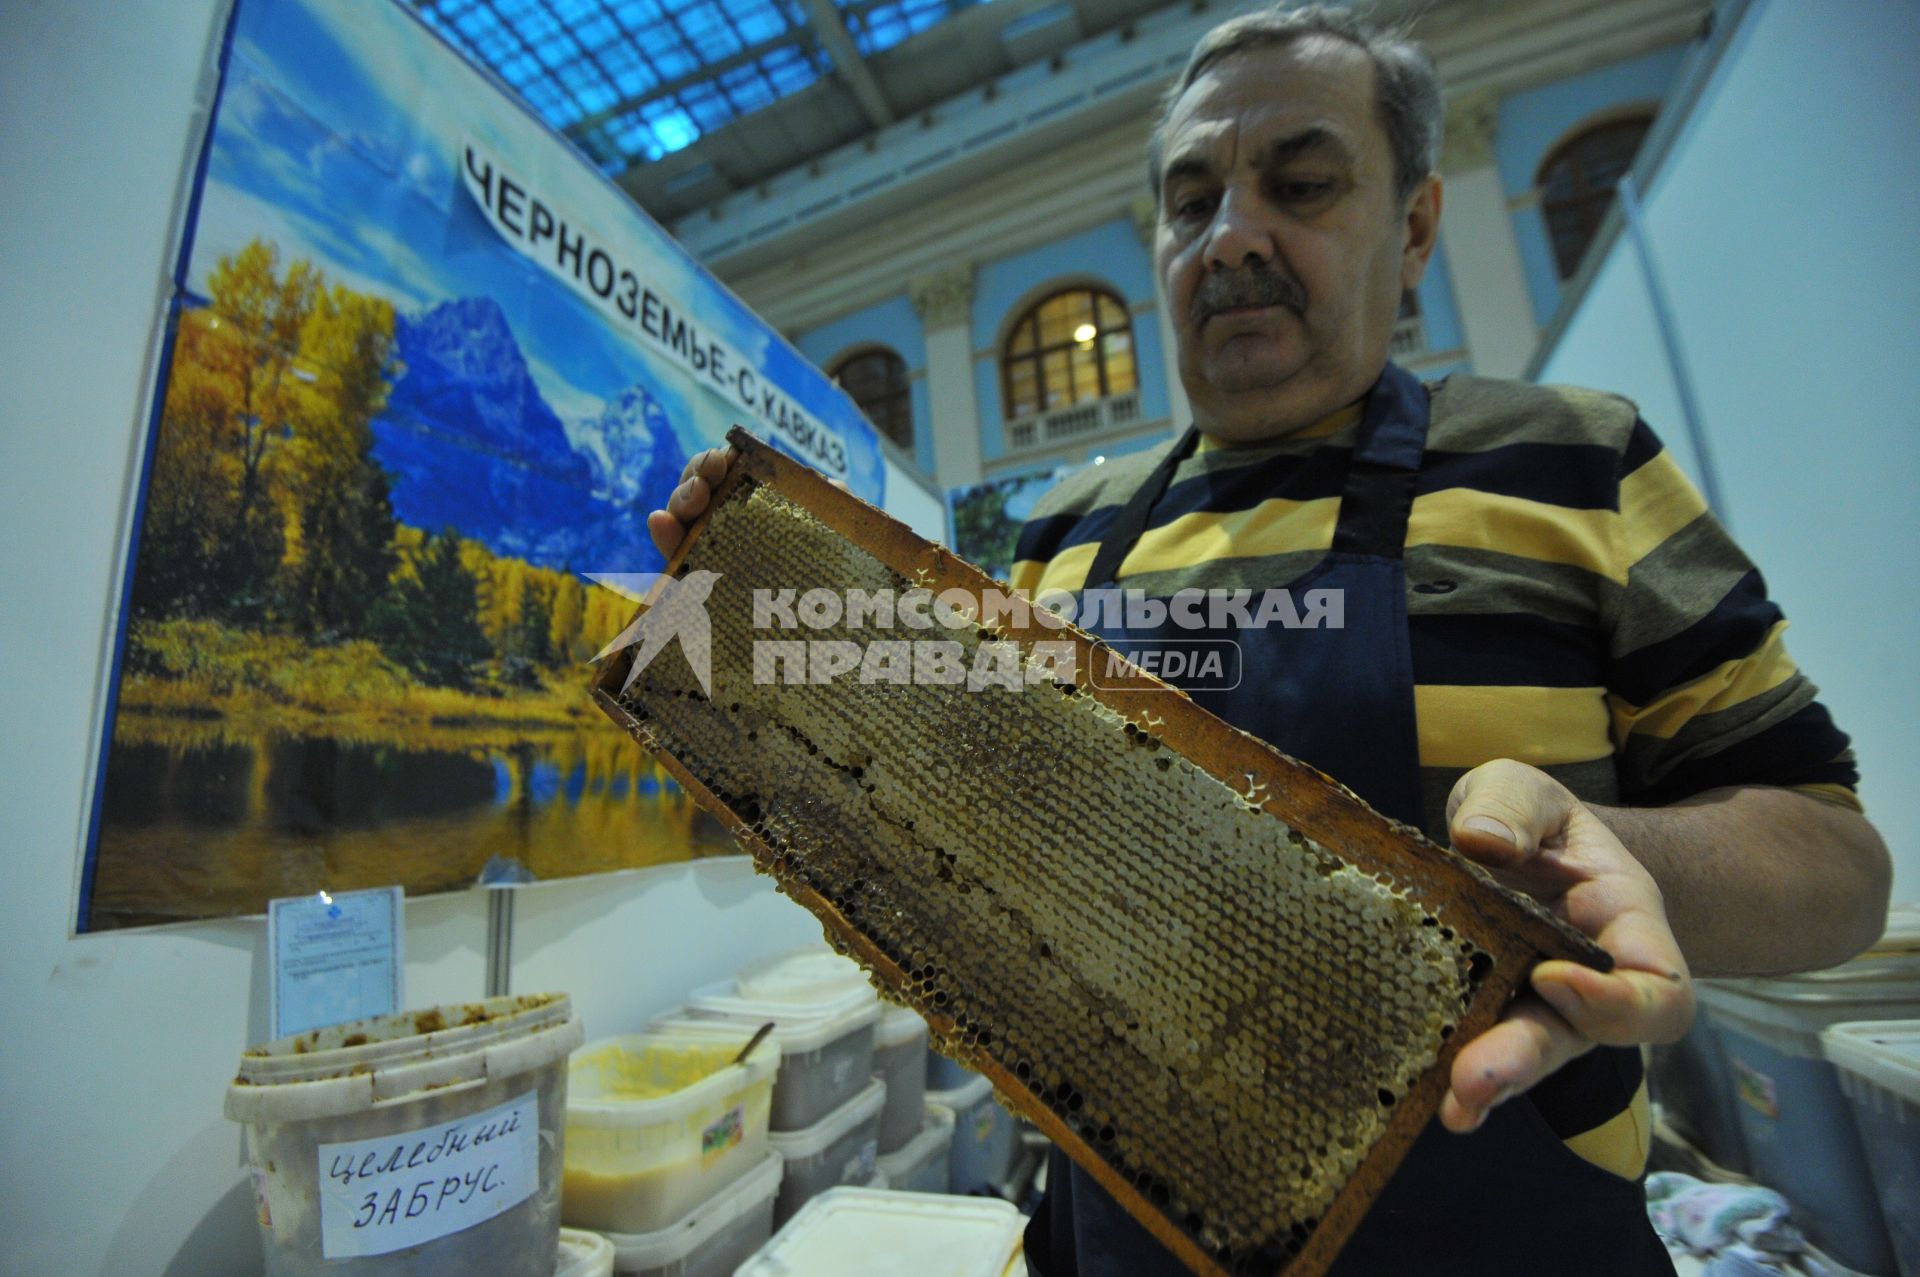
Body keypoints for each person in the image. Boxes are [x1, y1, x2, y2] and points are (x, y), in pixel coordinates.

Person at [648, 7, 1891, 1272]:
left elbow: (1840, 866)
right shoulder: (1060, 536)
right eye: (1191, 203)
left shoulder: (1573, 457)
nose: (1232, 234)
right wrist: (745, 639)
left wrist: (1601, 857)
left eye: (1301, 184)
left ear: (1413, 227)